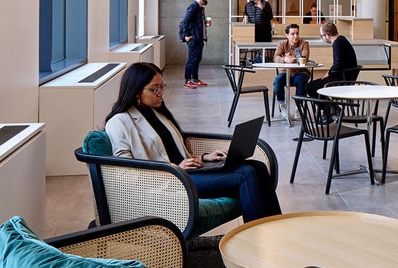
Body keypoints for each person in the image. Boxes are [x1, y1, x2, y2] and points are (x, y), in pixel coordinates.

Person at [104, 62, 281, 222]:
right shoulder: (119, 122)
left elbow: (172, 151)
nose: (161, 93)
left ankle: (277, 229)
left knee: (258, 166)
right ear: (136, 91)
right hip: (170, 180)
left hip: (188, 172)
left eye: (162, 87)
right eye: (154, 89)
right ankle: (256, 237)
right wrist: (175, 168)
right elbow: (124, 171)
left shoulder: (157, 112)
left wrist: (205, 157)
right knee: (245, 174)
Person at [307, 21, 359, 96]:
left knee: (310, 87)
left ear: (327, 35)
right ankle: (329, 103)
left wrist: (329, 73)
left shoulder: (338, 43)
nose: (323, 38)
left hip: (342, 79)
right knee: (314, 86)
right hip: (346, 76)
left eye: (322, 36)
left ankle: (329, 104)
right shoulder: (341, 40)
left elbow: (338, 63)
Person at [272, 23, 311, 105]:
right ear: (287, 35)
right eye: (292, 34)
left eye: (297, 33)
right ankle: (282, 105)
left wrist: (291, 60)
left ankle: (299, 107)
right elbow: (276, 57)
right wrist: (285, 59)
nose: (296, 36)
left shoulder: (304, 43)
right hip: (286, 72)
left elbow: (304, 58)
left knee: (301, 81)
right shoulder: (282, 44)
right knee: (278, 80)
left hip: (301, 72)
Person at [178, 0, 210, 88]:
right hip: (194, 39)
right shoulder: (193, 7)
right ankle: (188, 80)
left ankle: (195, 79)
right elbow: (185, 22)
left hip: (199, 38)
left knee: (197, 59)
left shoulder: (200, 8)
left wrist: (205, 23)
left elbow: (195, 23)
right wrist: (187, 35)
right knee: (192, 60)